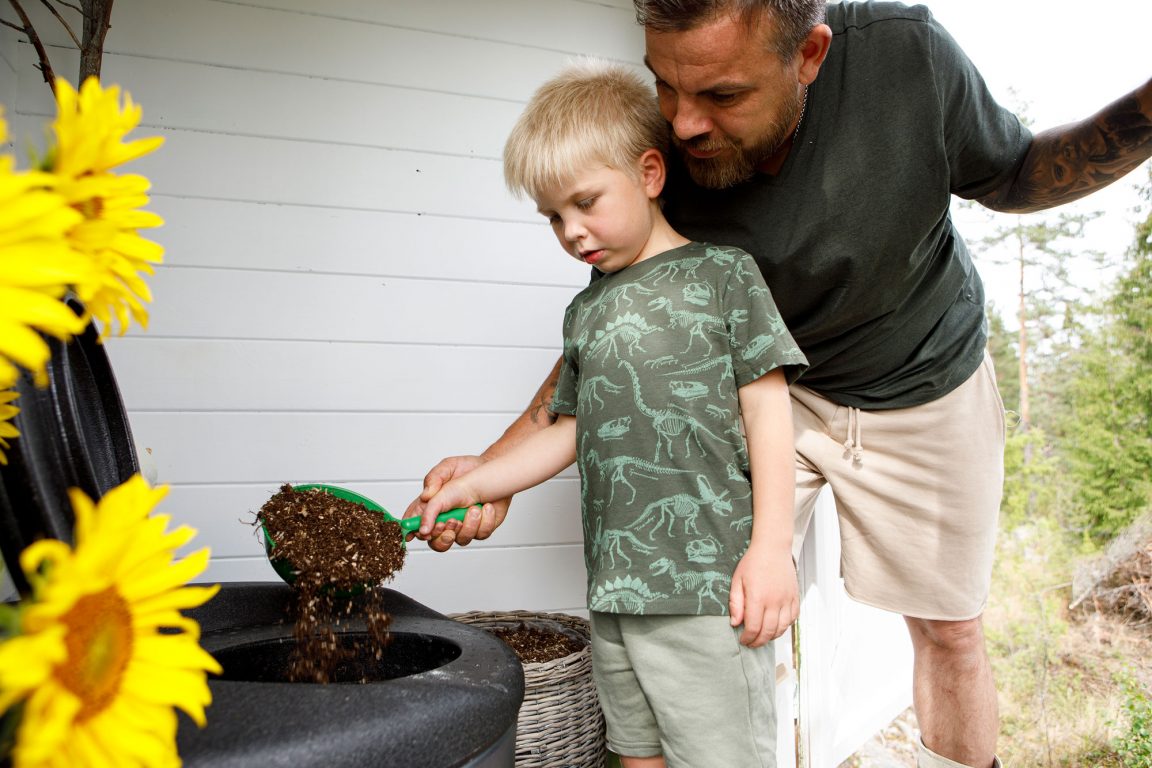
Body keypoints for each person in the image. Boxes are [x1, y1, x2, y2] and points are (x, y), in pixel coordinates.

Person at [406, 3, 1152, 767]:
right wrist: (490, 472)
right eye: (665, 85)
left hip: (918, 374)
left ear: (809, 55)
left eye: (723, 96)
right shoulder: (651, 152)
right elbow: (609, 353)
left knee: (948, 627)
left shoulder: (904, 57)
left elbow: (1022, 172)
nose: (684, 124)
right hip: (764, 388)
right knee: (728, 613)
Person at [410, 58, 808, 768]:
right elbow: (568, 430)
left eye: (586, 202)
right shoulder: (586, 312)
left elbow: (769, 408)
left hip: (707, 590)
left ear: (650, 175)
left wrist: (771, 549)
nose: (571, 230)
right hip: (617, 595)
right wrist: (479, 482)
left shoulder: (722, 276)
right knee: (634, 755)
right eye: (553, 217)